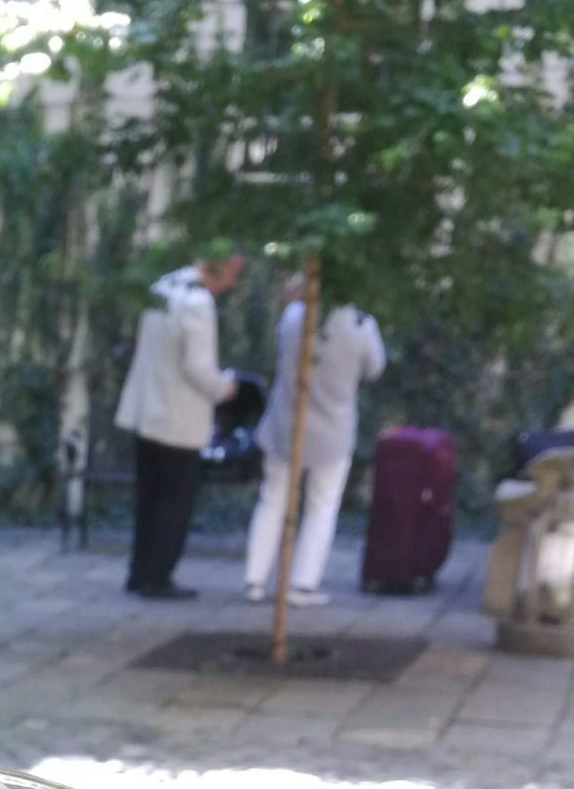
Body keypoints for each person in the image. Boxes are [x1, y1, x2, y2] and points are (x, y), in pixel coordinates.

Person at [114, 253, 244, 600]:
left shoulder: (165, 285)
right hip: (179, 417)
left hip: (147, 411)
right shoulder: (198, 302)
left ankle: (139, 572)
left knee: (148, 499)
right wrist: (225, 387)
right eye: (233, 273)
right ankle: (159, 577)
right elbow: (198, 366)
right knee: (175, 502)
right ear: (218, 265)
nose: (232, 283)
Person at [246, 296, 385, 606]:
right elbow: (374, 369)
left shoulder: (295, 314)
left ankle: (254, 580)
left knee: (272, 499)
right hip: (332, 430)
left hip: (285, 422)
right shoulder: (362, 325)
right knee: (322, 506)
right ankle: (302, 584)